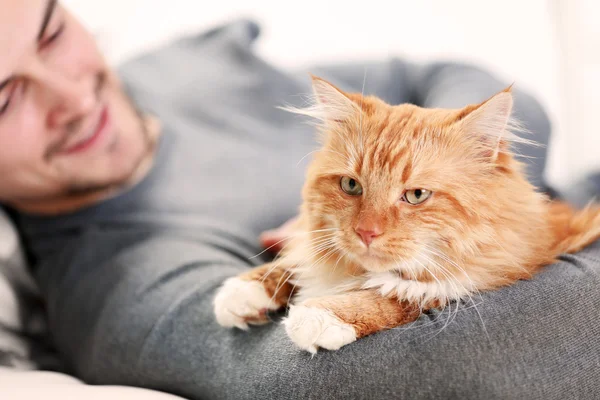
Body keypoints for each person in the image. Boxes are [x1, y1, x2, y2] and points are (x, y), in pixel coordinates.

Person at [1, 1, 599, 399]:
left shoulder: (186, 64)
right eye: (6, 99)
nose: (72, 96)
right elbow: (362, 372)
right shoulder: (116, 285)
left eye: (51, 34)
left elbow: (449, 76)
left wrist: (477, 170)